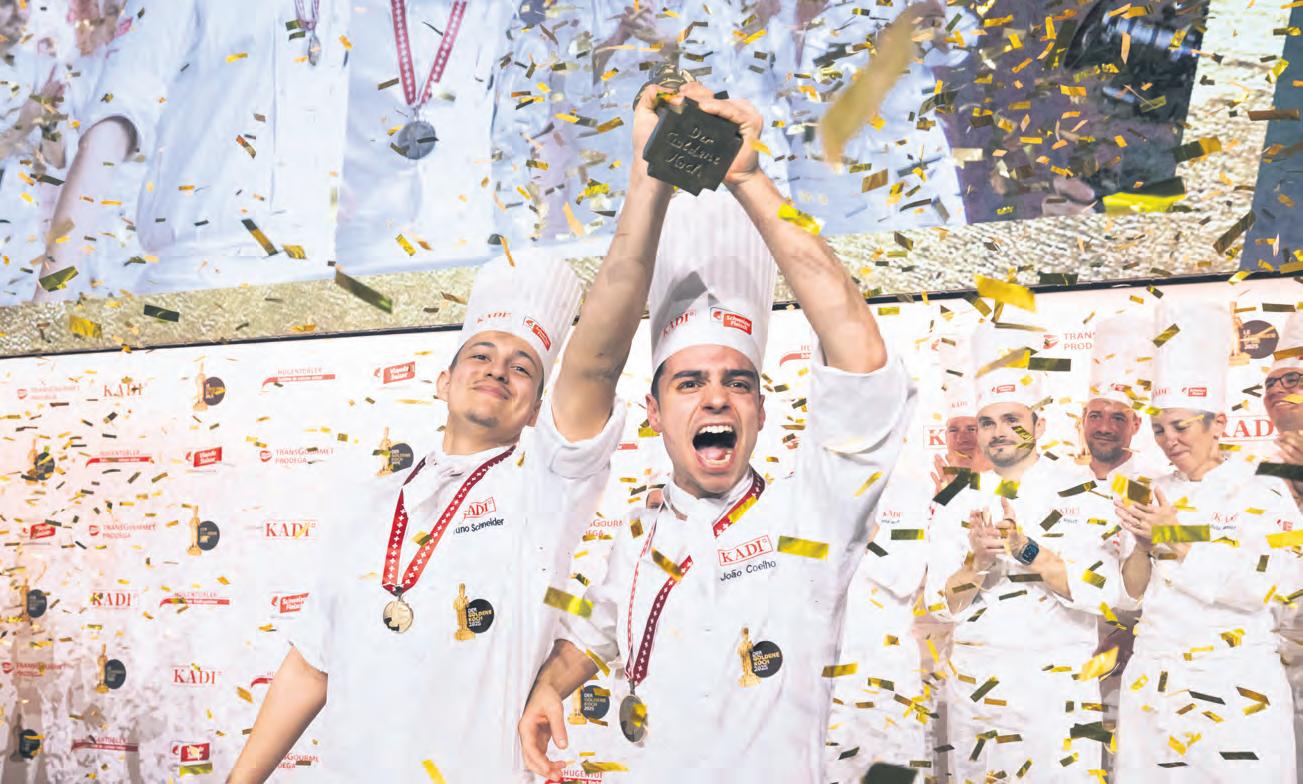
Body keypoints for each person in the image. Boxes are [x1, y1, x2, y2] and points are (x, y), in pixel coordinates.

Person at [227, 72, 681, 781]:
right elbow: (310, 668)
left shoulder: (543, 485)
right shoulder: (372, 501)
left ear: (537, 407)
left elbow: (596, 360)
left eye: (523, 367)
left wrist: (647, 181)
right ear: (442, 381)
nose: (499, 369)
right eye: (481, 354)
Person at [518, 81, 916, 782]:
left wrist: (750, 181)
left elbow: (859, 358)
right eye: (688, 383)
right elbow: (594, 631)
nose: (715, 399)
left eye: (738, 382)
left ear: (760, 409)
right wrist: (551, 684)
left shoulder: (813, 514)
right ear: (652, 411)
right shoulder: (641, 533)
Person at [33, 0, 351, 300]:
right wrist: (47, 304)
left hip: (314, 288)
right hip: (199, 281)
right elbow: (109, 129)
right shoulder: (76, 72)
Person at [924, 320, 1120, 783]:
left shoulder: (1085, 492)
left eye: (1013, 420)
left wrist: (1027, 550)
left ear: (1040, 425)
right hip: (978, 694)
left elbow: (1107, 593)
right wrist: (977, 562)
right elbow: (941, 604)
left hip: (1057, 695)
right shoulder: (956, 498)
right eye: (988, 422)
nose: (999, 432)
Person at [1113, 300, 1300, 782]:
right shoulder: (1150, 489)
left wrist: (1172, 536)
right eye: (1159, 429)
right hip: (1156, 681)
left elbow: (1264, 588)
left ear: (1218, 423)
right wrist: (1141, 544)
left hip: (1235, 684)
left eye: (1181, 427)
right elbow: (1131, 596)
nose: (1168, 440)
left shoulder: (1263, 487)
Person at [824, 327, 986, 782]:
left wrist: (863, 532)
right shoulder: (807, 490)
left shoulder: (913, 491)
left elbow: (905, 576)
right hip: (824, 684)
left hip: (888, 682)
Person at [331, 0, 515, 276]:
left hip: (466, 245)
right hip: (364, 250)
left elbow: (512, 137)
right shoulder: (342, 11)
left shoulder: (496, 9)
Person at [775, 0, 976, 235]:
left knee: (943, 251)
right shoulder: (776, 11)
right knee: (838, 253)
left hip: (916, 162)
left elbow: (959, 38)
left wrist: (937, 27)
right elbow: (764, 87)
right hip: (826, 171)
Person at [1264, 311, 1303, 774]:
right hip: (1272, 648)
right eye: (1270, 383)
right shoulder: (1251, 466)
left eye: (1291, 379)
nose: (1277, 389)